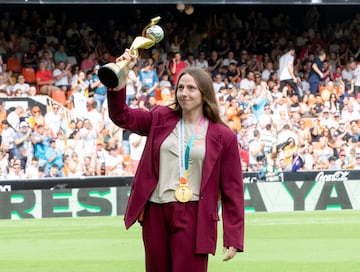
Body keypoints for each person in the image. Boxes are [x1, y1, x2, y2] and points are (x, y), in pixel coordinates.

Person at [106, 49, 244, 272]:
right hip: (155, 212)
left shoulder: (223, 136)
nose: (184, 93)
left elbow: (233, 190)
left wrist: (234, 236)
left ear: (204, 93)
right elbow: (121, 115)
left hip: (195, 214)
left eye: (191, 88)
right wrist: (120, 77)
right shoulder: (160, 117)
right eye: (180, 87)